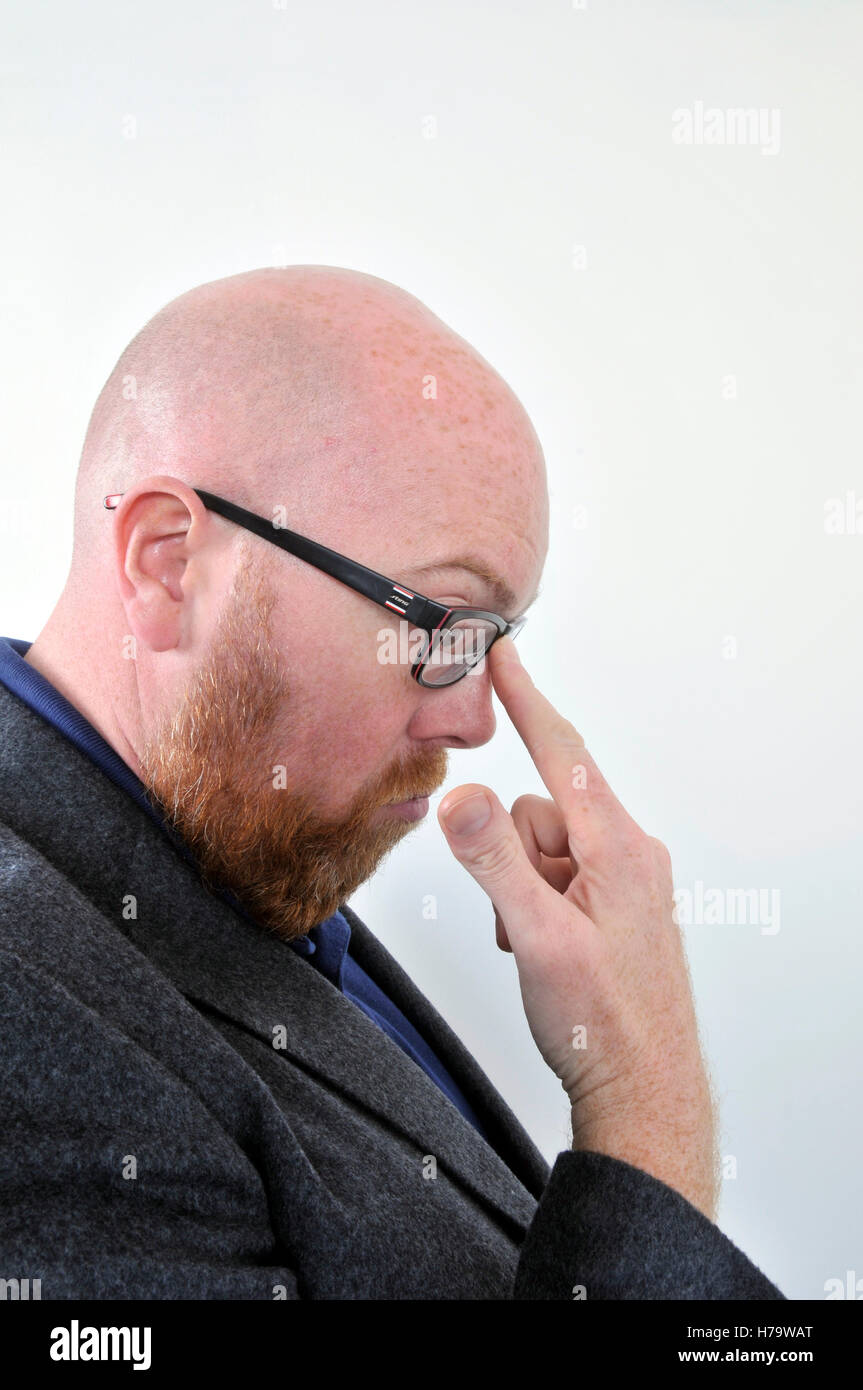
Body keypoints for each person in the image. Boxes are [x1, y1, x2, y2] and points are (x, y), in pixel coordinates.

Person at [0, 266, 784, 1299]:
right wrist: (645, 1098)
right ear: (165, 563)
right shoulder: (27, 1012)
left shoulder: (235, 843)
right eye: (436, 625)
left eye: (492, 640)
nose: (470, 720)